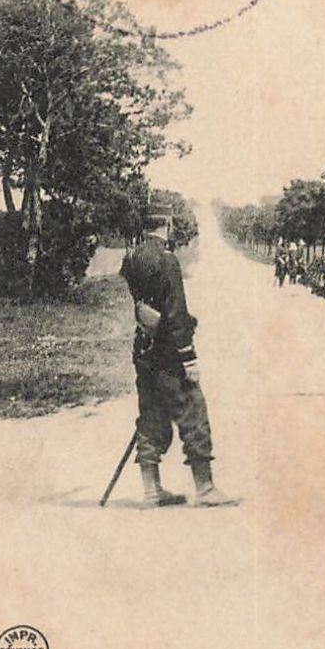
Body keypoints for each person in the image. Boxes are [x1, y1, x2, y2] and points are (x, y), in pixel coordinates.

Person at [120, 208, 235, 507]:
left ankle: (151, 490)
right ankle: (206, 489)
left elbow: (143, 305)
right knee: (193, 411)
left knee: (151, 415)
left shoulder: (132, 257)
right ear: (167, 224)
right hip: (168, 352)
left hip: (143, 349)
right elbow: (175, 313)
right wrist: (189, 357)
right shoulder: (167, 259)